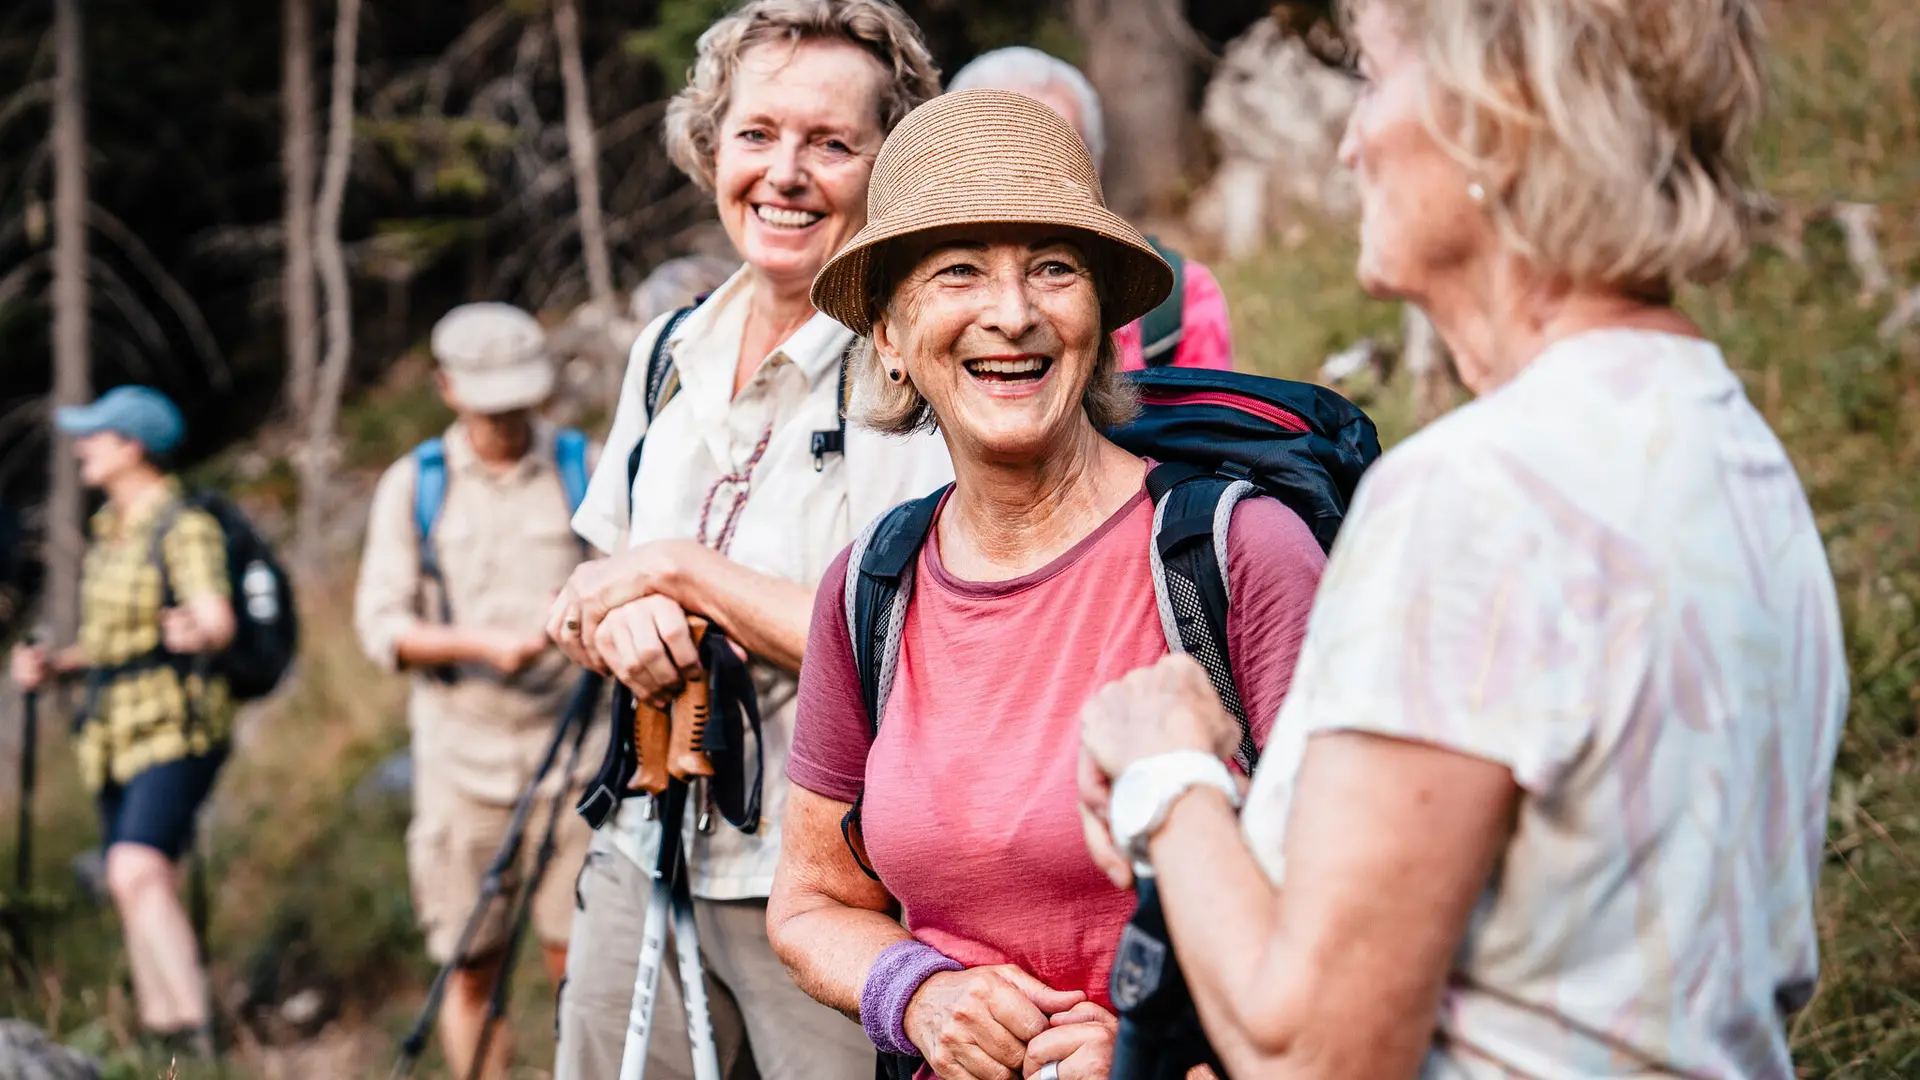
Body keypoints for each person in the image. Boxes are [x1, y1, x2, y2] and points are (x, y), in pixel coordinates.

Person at [1074, 3, 1848, 1079]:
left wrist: (1162, 766)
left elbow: (1312, 1051)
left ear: (1508, 114)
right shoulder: (1735, 452)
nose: (1349, 141)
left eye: (1374, 78)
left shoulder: (1481, 495)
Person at [764, 88, 1327, 1080]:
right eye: (958, 273)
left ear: (1103, 315)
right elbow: (811, 903)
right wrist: (920, 995)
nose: (1013, 314)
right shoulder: (871, 588)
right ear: (889, 337)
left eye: (1054, 270)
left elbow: (1355, 921)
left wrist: (1152, 1059)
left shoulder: (1234, 555)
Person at [540, 3, 953, 1078]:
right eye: (757, 134)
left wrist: (678, 574)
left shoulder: (908, 371)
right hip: (644, 841)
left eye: (832, 144)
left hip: (828, 886)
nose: (786, 173)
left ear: (887, 169)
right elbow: (597, 577)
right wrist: (612, 615)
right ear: (710, 144)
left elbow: (897, 648)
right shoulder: (669, 348)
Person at [353, 302, 606, 1080]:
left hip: (578, 758)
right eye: (490, 401)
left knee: (581, 969)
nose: (506, 418)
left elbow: (627, 582)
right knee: (471, 966)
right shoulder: (414, 486)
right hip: (460, 763)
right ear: (447, 389)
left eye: (518, 400)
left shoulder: (582, 466)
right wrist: (481, 647)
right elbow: (383, 627)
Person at [9, 385, 232, 1059]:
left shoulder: (183, 524)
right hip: (111, 738)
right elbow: (119, 642)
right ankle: (165, 1035)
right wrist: (59, 665)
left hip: (174, 727)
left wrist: (202, 627)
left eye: (95, 436)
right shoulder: (112, 530)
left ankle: (193, 1033)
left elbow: (214, 617)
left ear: (133, 445)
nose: (82, 447)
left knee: (135, 868)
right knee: (133, 877)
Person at [947, 46, 1234, 373]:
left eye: (1062, 158)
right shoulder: (919, 300)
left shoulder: (1178, 299)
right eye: (1003, 158)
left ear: (1095, 168)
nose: (1032, 184)